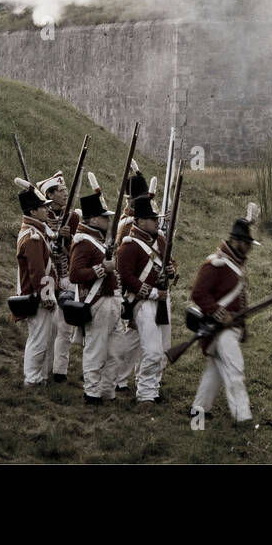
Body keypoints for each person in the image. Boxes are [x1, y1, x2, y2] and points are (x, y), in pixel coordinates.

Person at [189, 207, 260, 425]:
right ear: (236, 241)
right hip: (219, 329)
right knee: (235, 369)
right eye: (247, 243)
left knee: (216, 371)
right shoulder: (216, 263)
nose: (249, 248)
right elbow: (198, 293)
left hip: (227, 328)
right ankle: (242, 415)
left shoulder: (235, 264)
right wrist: (221, 315)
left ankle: (199, 409)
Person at [113, 172, 177, 404]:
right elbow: (126, 275)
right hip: (143, 303)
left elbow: (170, 261)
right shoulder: (128, 246)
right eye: (151, 219)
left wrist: (171, 271)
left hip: (162, 300)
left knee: (161, 348)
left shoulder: (159, 239)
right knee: (151, 350)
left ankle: (150, 385)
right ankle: (146, 394)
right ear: (139, 221)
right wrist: (150, 292)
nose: (155, 222)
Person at [67, 174, 120, 404]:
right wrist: (101, 268)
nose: (107, 221)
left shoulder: (96, 239)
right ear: (92, 219)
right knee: (96, 350)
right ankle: (92, 392)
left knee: (114, 352)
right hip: (97, 301)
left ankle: (107, 391)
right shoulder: (83, 241)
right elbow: (75, 274)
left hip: (110, 301)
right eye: (103, 217)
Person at [14, 179, 59, 387]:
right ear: (33, 212)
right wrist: (46, 295)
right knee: (39, 340)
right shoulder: (33, 236)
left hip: (40, 293)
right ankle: (32, 379)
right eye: (43, 207)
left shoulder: (36, 232)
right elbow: (37, 270)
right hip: (37, 294)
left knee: (43, 338)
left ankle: (39, 377)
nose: (47, 210)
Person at [39, 171, 79, 383]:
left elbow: (77, 250)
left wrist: (68, 238)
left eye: (65, 190)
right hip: (47, 279)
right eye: (61, 191)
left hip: (67, 276)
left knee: (64, 328)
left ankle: (60, 371)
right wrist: (54, 236)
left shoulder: (73, 217)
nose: (65, 193)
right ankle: (42, 371)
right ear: (50, 194)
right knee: (47, 329)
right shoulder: (41, 218)